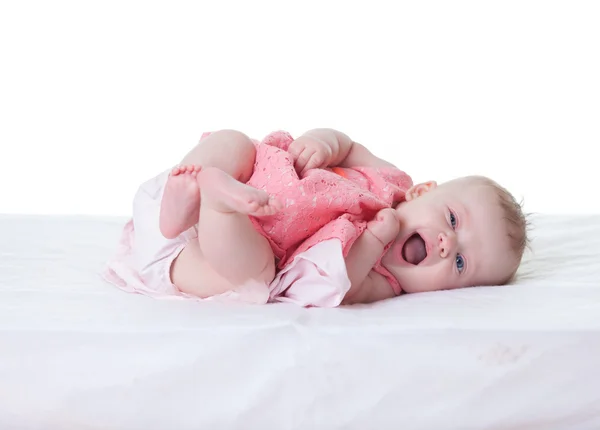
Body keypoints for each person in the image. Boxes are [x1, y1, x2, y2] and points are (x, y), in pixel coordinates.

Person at [103, 128, 528, 307]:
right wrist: (322, 143)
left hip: (205, 255)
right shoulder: (390, 178)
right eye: (453, 220)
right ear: (421, 192)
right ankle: (187, 195)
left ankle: (217, 203)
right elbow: (347, 145)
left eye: (460, 264)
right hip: (244, 182)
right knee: (236, 143)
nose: (447, 244)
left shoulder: (388, 283)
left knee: (256, 277)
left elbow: (342, 289)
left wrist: (374, 243)